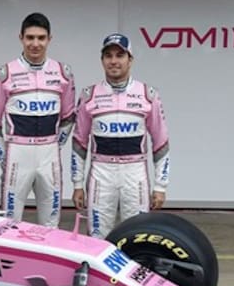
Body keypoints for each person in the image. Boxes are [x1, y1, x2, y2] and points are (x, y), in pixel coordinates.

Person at [71, 32, 170, 238]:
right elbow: (79, 143)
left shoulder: (147, 95)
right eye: (108, 56)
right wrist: (78, 184)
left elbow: (160, 143)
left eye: (120, 55)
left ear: (130, 59)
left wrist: (160, 186)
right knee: (98, 236)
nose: (114, 61)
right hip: (101, 173)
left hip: (135, 173)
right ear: (102, 60)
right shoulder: (89, 95)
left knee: (138, 234)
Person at [0, 12, 76, 227]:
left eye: (41, 38)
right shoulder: (4, 73)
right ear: (21, 38)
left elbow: (68, 117)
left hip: (49, 153)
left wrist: (55, 145)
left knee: (51, 220)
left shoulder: (63, 73)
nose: (35, 44)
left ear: (49, 39)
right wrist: (3, 158)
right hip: (17, 152)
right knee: (10, 221)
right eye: (30, 37)